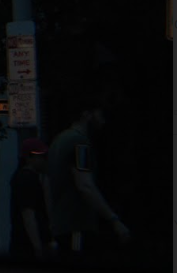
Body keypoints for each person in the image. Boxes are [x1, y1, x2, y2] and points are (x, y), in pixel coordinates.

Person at [47, 94, 130, 265]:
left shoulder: (58, 141)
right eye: (99, 114)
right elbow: (85, 185)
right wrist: (113, 219)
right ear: (86, 114)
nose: (103, 120)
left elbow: (47, 185)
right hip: (77, 227)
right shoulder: (80, 144)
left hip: (61, 227)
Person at [9, 137, 52, 262]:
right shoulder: (27, 179)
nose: (44, 160)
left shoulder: (28, 177)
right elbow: (28, 215)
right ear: (29, 158)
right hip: (27, 247)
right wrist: (37, 247)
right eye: (41, 156)